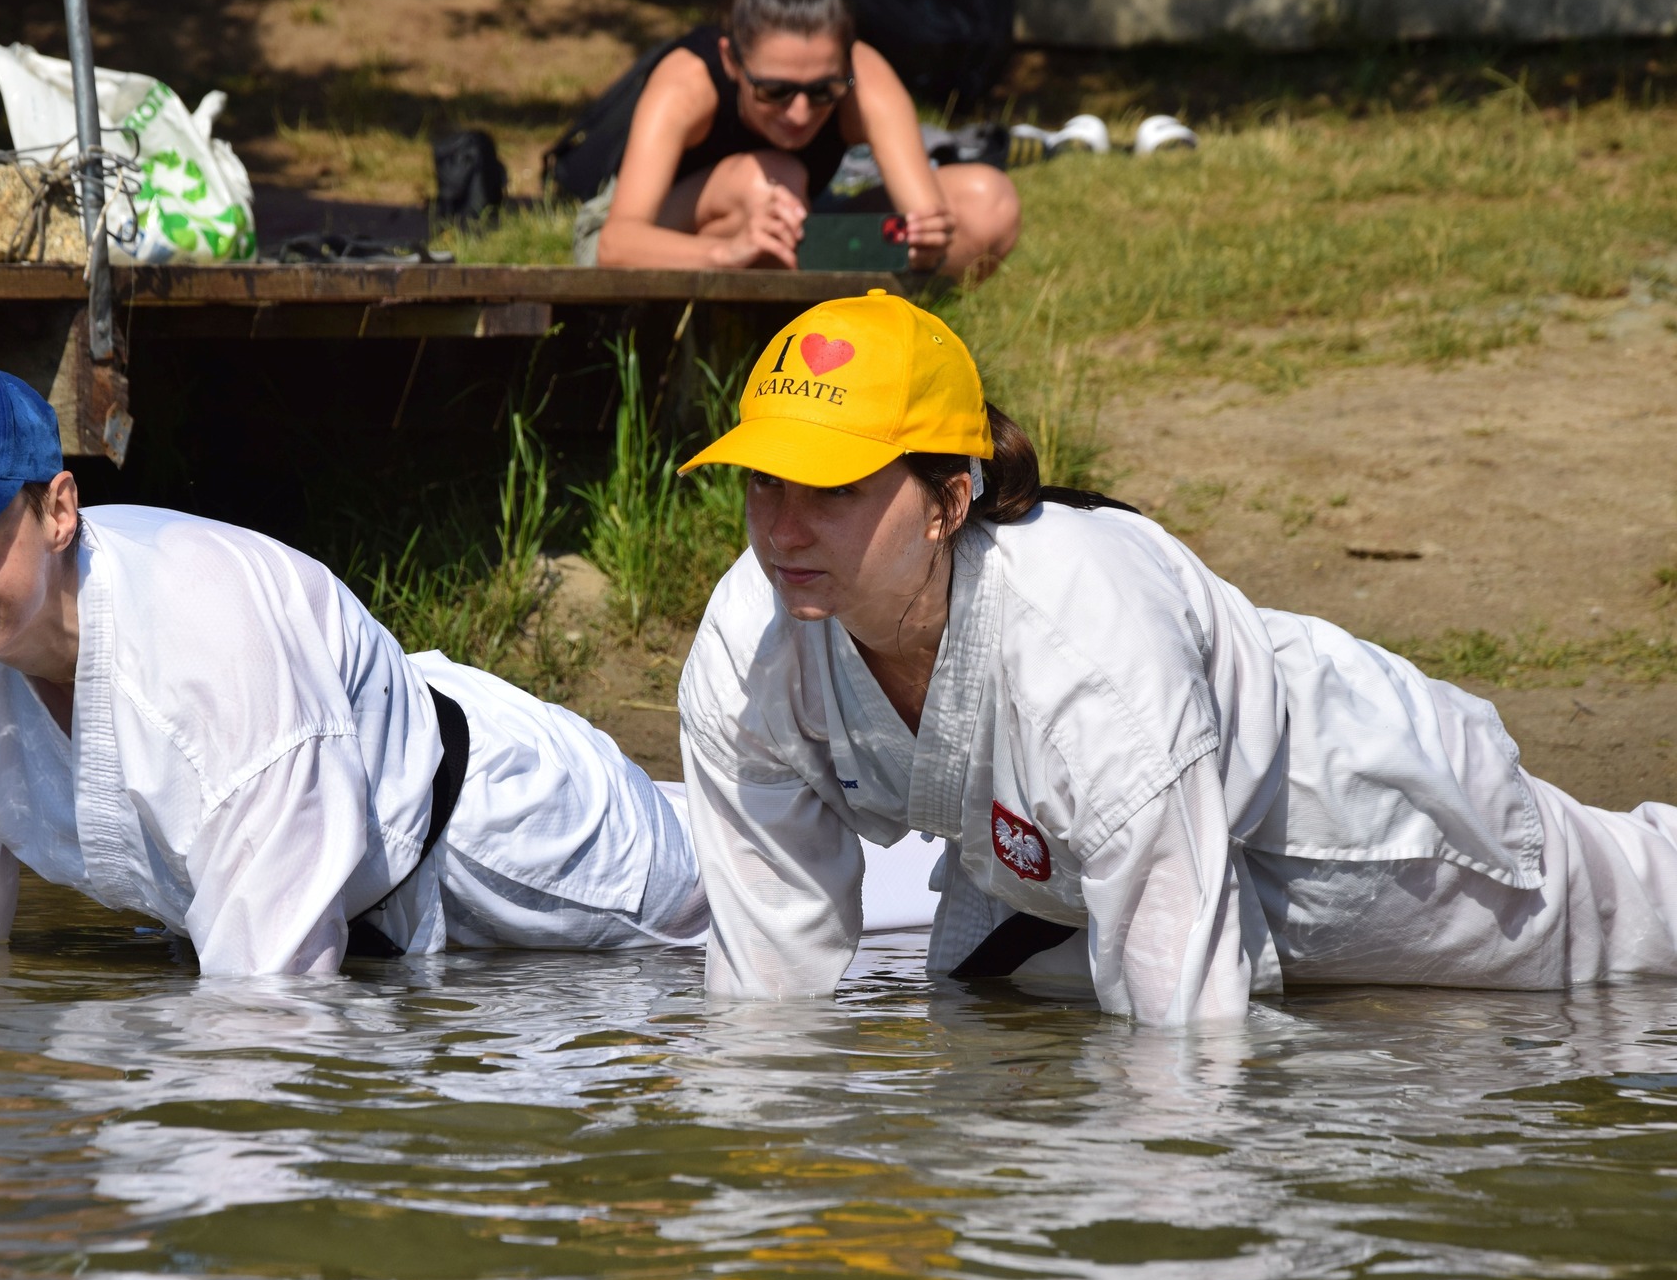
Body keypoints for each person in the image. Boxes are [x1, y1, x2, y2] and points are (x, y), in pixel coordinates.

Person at [674, 289, 1677, 1027]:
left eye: (833, 489)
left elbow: (1182, 1048)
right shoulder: (744, 647)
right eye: (762, 482)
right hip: (1062, 876)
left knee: (1629, 926)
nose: (783, 529)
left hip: (1364, 828)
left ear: (947, 502)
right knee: (982, 1014)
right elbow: (764, 987)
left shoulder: (1082, 647)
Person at [0, 358, 709, 973]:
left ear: (59, 510)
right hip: (332, 814)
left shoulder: (207, 656)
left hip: (504, 844)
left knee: (772, 899)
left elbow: (265, 1023)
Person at [578, 0, 1019, 278]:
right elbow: (616, 244)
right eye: (775, 91)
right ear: (732, 61)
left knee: (988, 204)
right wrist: (724, 254)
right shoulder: (687, 82)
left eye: (824, 90)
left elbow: (926, 216)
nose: (800, 113)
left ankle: (876, 338)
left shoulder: (864, 78)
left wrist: (927, 239)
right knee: (773, 180)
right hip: (652, 242)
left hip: (797, 229)